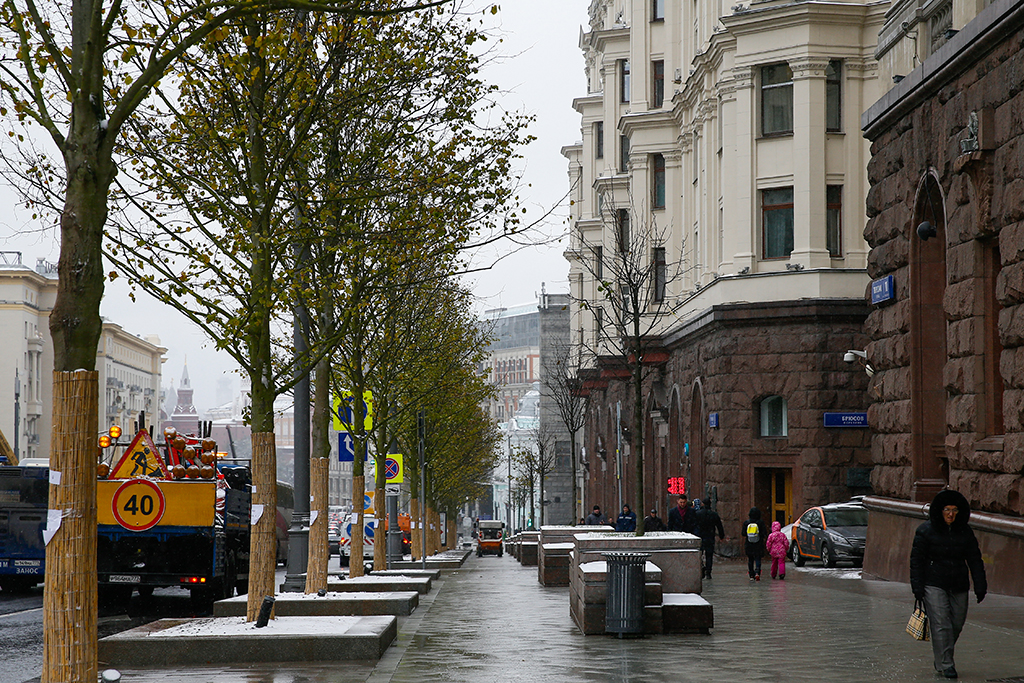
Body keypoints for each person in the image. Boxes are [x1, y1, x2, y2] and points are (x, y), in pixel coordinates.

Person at [910, 489, 987, 680]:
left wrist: (980, 584)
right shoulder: (925, 531)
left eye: (954, 510)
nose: (950, 514)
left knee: (956, 623)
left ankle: (941, 655)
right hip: (933, 583)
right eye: (946, 509)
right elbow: (916, 561)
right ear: (939, 511)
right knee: (941, 623)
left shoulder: (965, 532)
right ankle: (946, 664)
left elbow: (975, 559)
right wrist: (918, 587)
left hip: (959, 584)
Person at [693, 498, 725, 579]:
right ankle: (708, 571)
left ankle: (701, 568)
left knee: (699, 554)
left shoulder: (698, 514)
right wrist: (721, 536)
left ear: (702, 504)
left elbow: (694, 525)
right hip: (710, 536)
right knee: (709, 555)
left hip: (700, 536)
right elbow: (719, 526)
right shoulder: (714, 514)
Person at [743, 507, 768, 581]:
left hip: (749, 544)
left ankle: (751, 574)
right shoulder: (760, 522)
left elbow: (743, 533)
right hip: (758, 543)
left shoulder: (746, 523)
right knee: (758, 558)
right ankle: (757, 572)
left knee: (750, 559)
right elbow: (764, 533)